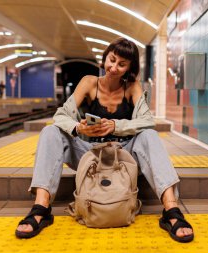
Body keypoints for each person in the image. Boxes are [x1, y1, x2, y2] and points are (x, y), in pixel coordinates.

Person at [15, 37, 194, 242]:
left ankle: (171, 210)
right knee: (50, 132)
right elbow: (61, 115)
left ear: (129, 68)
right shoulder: (89, 82)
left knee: (149, 135)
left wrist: (116, 126)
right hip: (88, 153)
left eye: (122, 64)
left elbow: (147, 121)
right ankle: (41, 208)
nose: (114, 67)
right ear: (105, 58)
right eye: (112, 59)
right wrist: (78, 127)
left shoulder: (133, 87)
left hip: (124, 153)